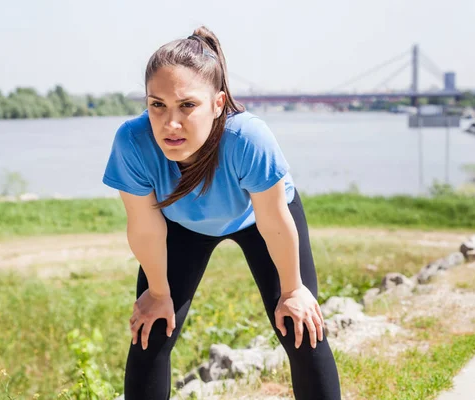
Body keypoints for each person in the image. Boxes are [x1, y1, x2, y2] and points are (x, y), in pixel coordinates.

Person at [102, 25, 341, 400]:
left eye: (187, 105)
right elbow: (145, 228)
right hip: (181, 225)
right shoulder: (132, 142)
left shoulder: (248, 139)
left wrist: (294, 290)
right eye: (157, 105)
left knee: (301, 326)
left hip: (259, 220)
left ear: (217, 103)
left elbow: (275, 221)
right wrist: (159, 292)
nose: (171, 123)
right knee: (152, 329)